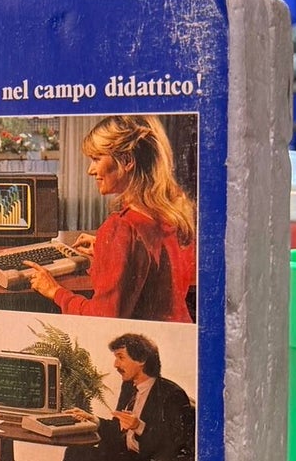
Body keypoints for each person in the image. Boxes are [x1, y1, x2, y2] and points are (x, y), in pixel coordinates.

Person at [26, 114, 196, 322]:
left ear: (127, 161)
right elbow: (156, 277)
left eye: (96, 159)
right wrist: (106, 252)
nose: (90, 170)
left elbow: (102, 319)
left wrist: (56, 292)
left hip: (139, 339)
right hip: (180, 334)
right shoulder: (177, 211)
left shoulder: (121, 228)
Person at [50, 332, 195, 461]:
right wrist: (94, 420)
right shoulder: (129, 387)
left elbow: (175, 447)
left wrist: (140, 427)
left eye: (120, 357)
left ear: (141, 360)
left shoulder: (172, 395)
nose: (115, 364)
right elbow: (119, 431)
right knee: (76, 453)